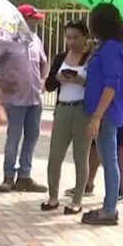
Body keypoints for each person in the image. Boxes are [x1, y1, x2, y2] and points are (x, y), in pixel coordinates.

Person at [81, 4, 123, 226]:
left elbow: (111, 85)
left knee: (109, 160)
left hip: (106, 114)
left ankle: (109, 208)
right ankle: (109, 205)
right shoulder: (111, 46)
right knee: (109, 159)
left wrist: (96, 117)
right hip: (107, 112)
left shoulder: (111, 48)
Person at [0, 4, 48, 193]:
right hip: (14, 100)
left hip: (34, 98)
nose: (36, 23)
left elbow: (43, 62)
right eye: (33, 19)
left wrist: (43, 80)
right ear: (22, 20)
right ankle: (8, 177)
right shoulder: (5, 40)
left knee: (32, 137)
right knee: (13, 138)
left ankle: (25, 176)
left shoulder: (35, 40)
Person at [43, 21, 92, 214]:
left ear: (85, 37)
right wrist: (58, 78)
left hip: (82, 111)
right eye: (68, 37)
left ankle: (77, 200)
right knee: (55, 156)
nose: (71, 42)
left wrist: (83, 80)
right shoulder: (61, 57)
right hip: (63, 108)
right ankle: (53, 197)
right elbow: (48, 85)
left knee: (80, 156)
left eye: (75, 37)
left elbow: (97, 85)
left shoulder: (91, 57)